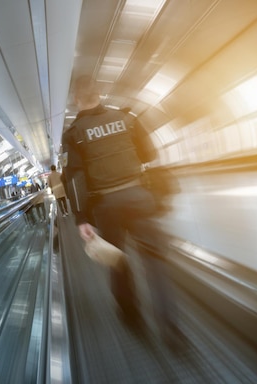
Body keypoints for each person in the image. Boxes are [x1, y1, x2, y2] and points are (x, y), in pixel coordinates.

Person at [61, 75, 183, 348]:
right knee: (155, 261)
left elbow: (75, 180)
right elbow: (149, 154)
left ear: (76, 100)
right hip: (140, 197)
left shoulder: (74, 135)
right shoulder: (127, 119)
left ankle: (131, 316)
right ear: (100, 92)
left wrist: (81, 219)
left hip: (106, 206)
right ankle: (171, 326)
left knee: (118, 260)